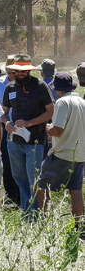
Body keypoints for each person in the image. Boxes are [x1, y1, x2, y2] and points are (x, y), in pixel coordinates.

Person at [2, 54, 55, 212]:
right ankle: (28, 211)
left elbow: (50, 112)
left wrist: (29, 123)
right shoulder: (10, 87)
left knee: (34, 179)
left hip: (35, 142)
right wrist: (6, 123)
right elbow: (3, 113)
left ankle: (37, 214)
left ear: (30, 71)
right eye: (18, 71)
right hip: (14, 142)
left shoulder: (40, 86)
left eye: (24, 71)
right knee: (19, 177)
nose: (20, 74)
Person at [37, 71, 85, 229]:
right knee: (76, 191)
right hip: (80, 154)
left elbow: (58, 130)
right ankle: (79, 227)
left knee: (41, 187)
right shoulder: (82, 101)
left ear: (57, 88)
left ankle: (46, 223)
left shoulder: (62, 103)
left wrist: (49, 128)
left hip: (63, 153)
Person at [0, 54, 21, 206]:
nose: (10, 75)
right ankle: (11, 194)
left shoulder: (26, 84)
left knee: (21, 159)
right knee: (7, 160)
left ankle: (22, 194)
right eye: (8, 72)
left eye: (13, 72)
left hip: (22, 126)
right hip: (5, 125)